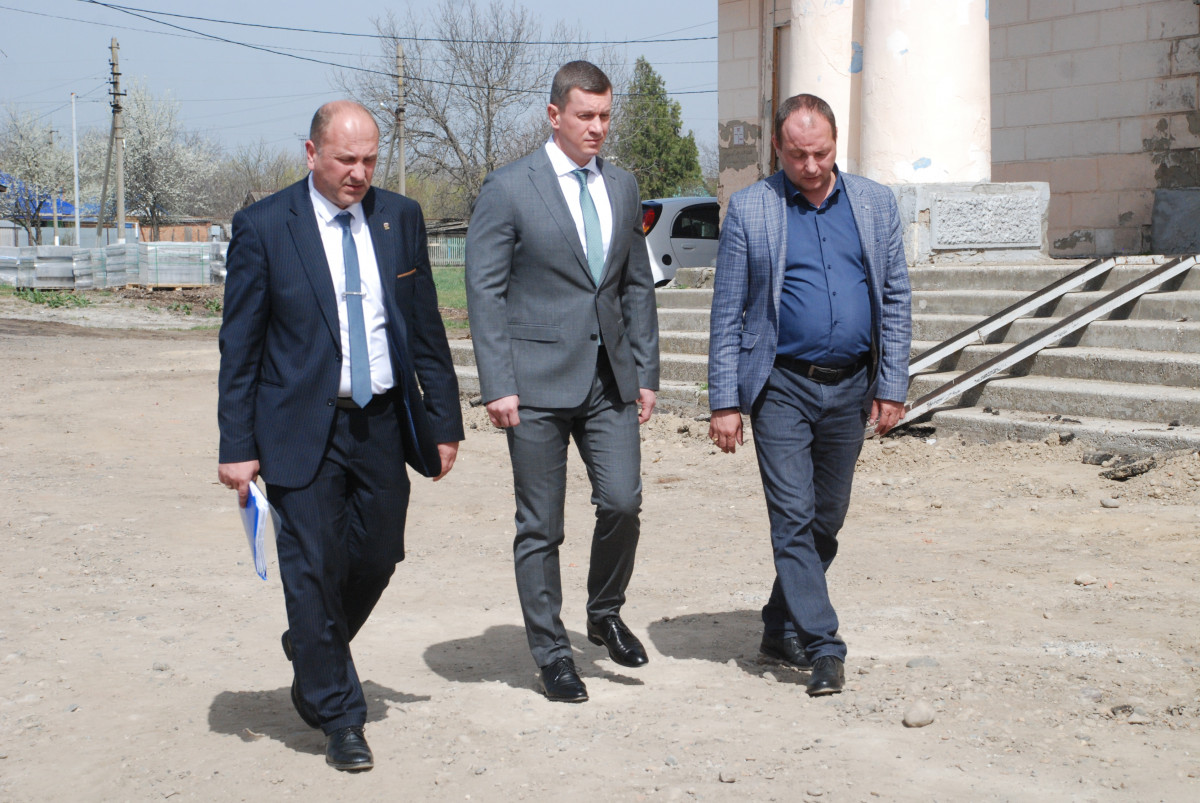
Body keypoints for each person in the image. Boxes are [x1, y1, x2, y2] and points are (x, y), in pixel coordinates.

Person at [217, 100, 464, 770]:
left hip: (380, 420)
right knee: (313, 567)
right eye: (345, 159)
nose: (359, 172)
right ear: (311, 153)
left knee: (378, 555)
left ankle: (311, 645)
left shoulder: (399, 218)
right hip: (297, 426)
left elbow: (426, 329)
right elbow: (240, 346)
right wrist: (236, 445)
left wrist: (443, 422)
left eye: (369, 160)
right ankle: (340, 715)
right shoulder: (265, 226)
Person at [465, 60, 660, 703]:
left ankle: (603, 613)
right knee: (541, 526)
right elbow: (485, 291)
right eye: (585, 116)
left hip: (610, 379)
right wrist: (497, 382)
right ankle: (552, 654)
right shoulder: (509, 188)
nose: (597, 128)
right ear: (554, 115)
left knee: (623, 502)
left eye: (605, 116)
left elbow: (634, 285)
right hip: (534, 383)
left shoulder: (623, 186)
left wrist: (646, 372)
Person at [707, 93, 911, 696]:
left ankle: (777, 624)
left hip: (851, 387)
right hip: (781, 385)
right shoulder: (752, 209)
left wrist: (892, 383)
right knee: (792, 517)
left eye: (821, 152)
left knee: (826, 518)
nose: (812, 166)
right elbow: (727, 310)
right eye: (798, 155)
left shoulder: (874, 203)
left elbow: (895, 297)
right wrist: (724, 402)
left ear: (836, 142)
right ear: (778, 147)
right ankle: (824, 645)